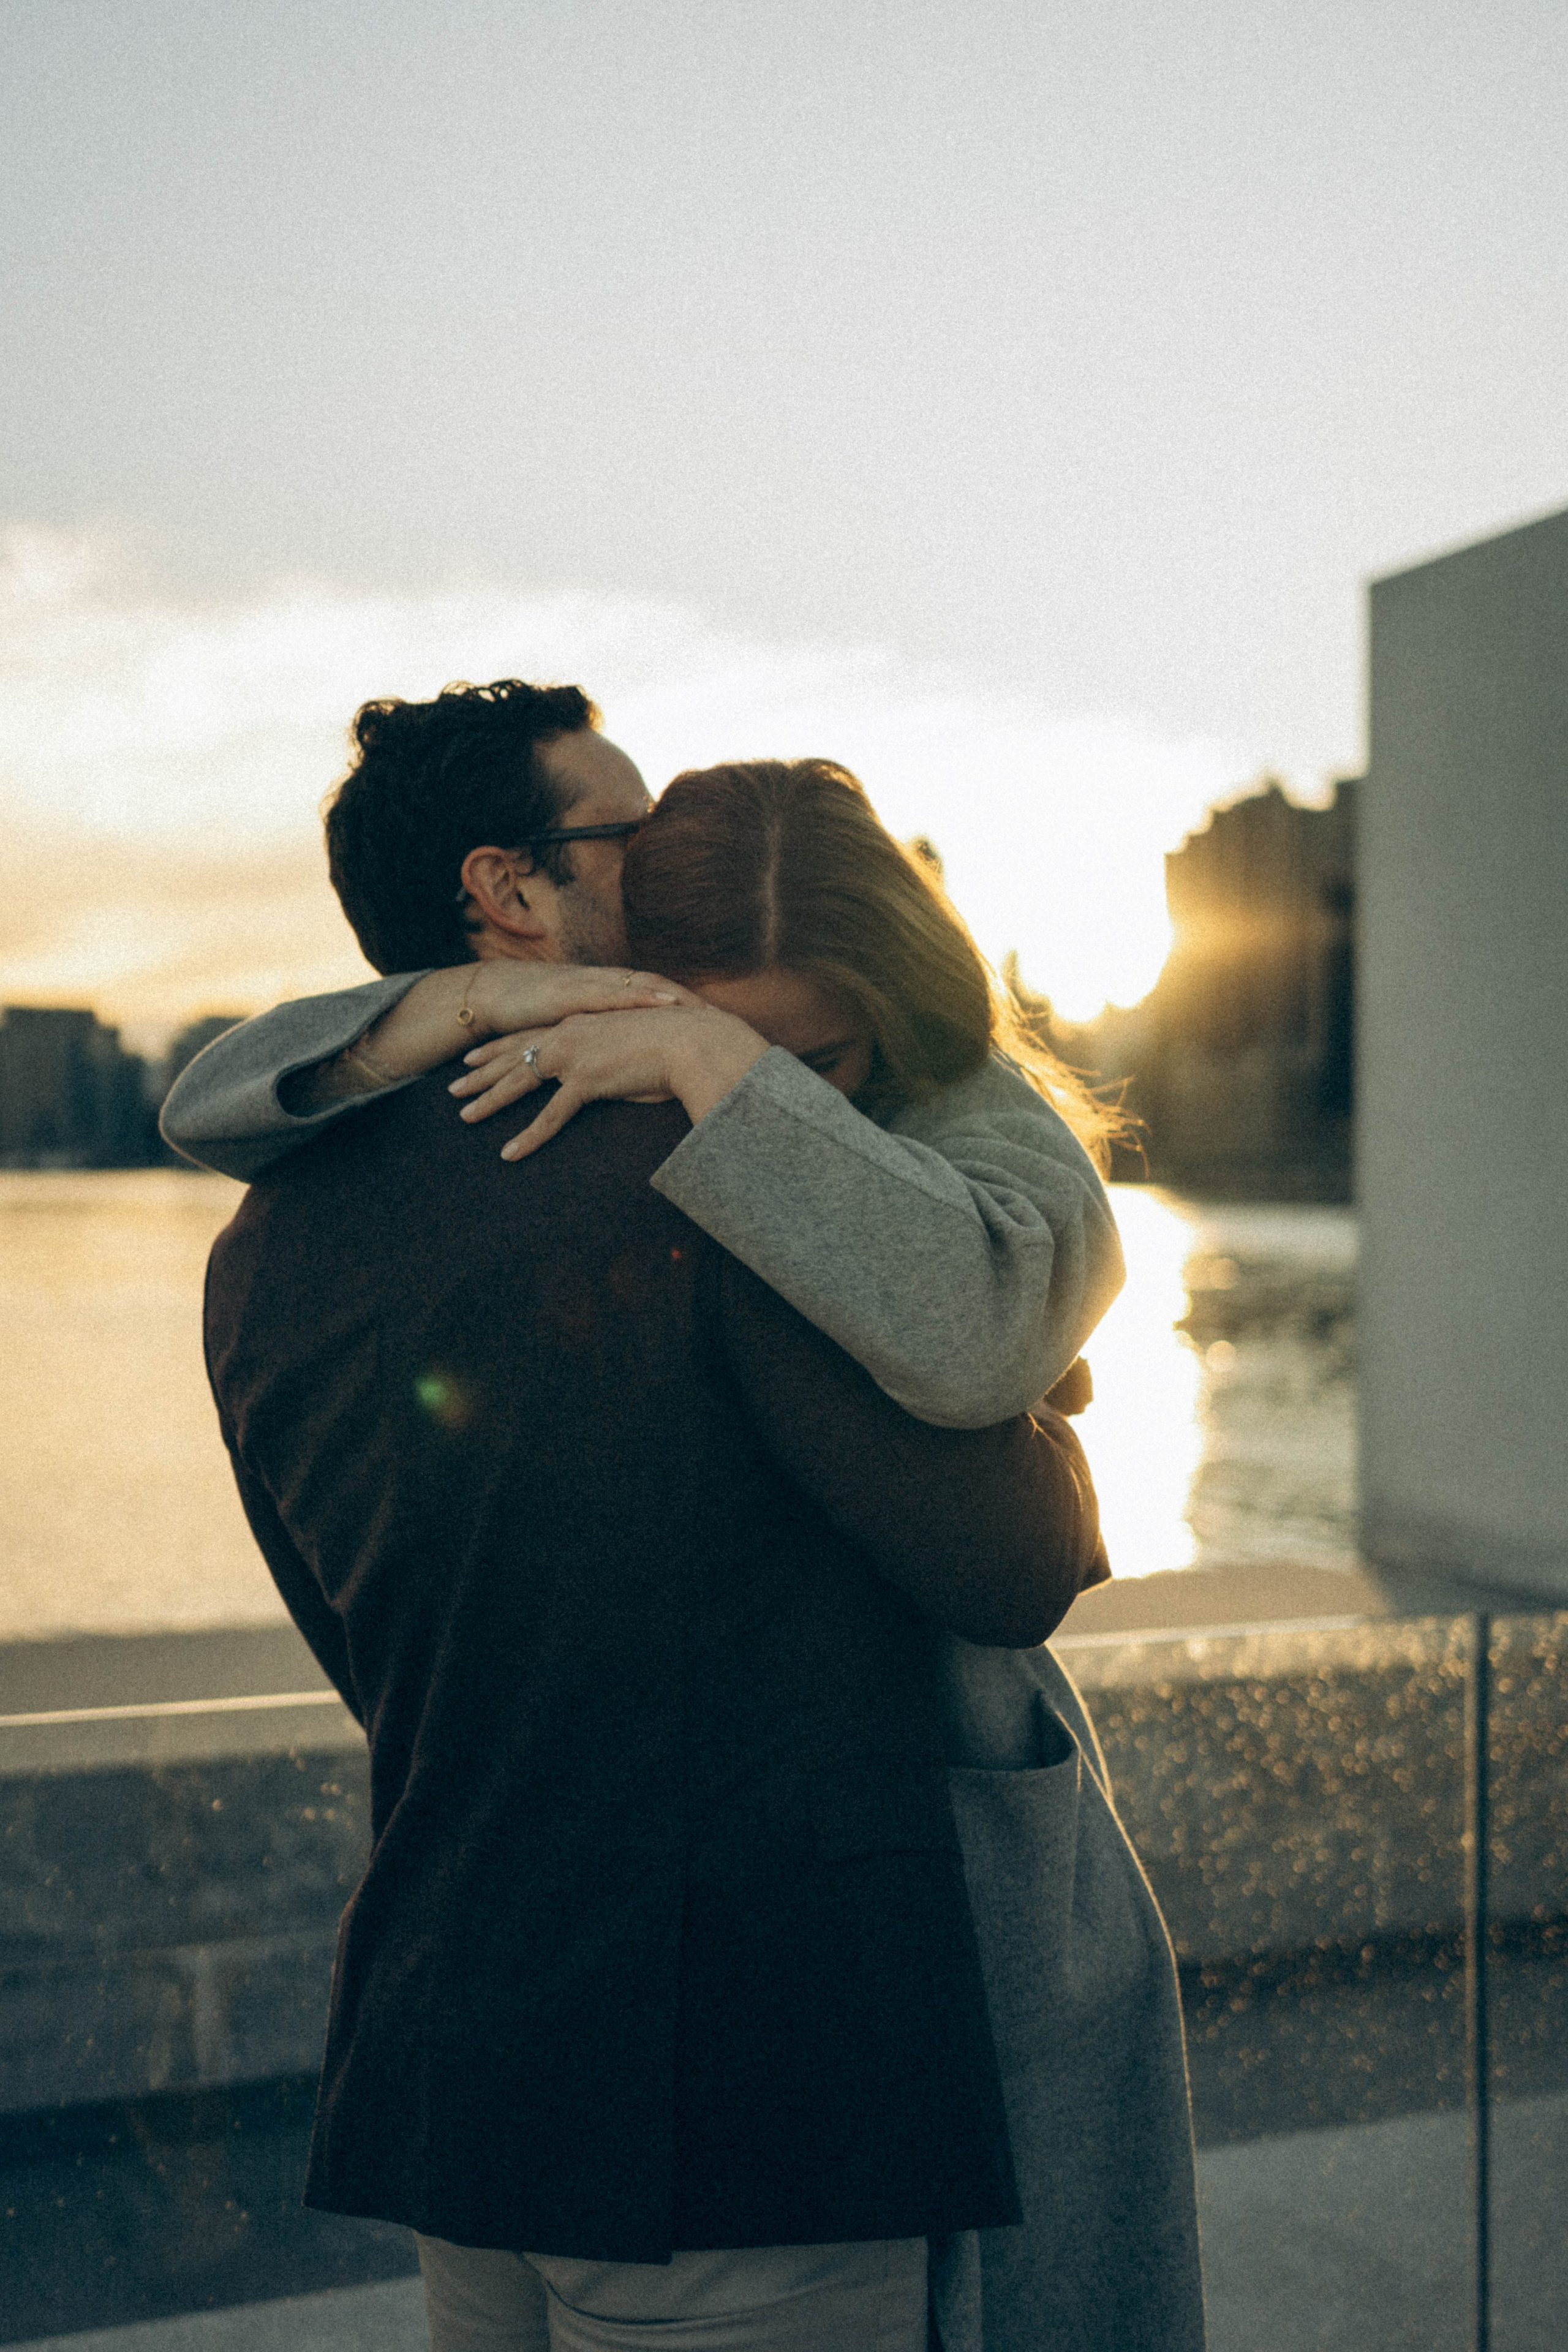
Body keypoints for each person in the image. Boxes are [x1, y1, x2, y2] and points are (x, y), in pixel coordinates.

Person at [186, 685, 1205, 2348]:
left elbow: (357, 1626)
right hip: (741, 2083)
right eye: (629, 836)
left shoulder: (266, 1239)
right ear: (510, 890)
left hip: (458, 2046)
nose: (669, 862)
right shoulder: (693, 1163)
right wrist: (1050, 1424)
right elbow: (1010, 1558)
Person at [160, 680, 1125, 1431]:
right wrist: (495, 997)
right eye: (634, 829)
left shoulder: (291, 1227)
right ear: (511, 890)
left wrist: (701, 1045)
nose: (675, 843)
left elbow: (208, 1110)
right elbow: (205, 1105)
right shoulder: (537, 1097)